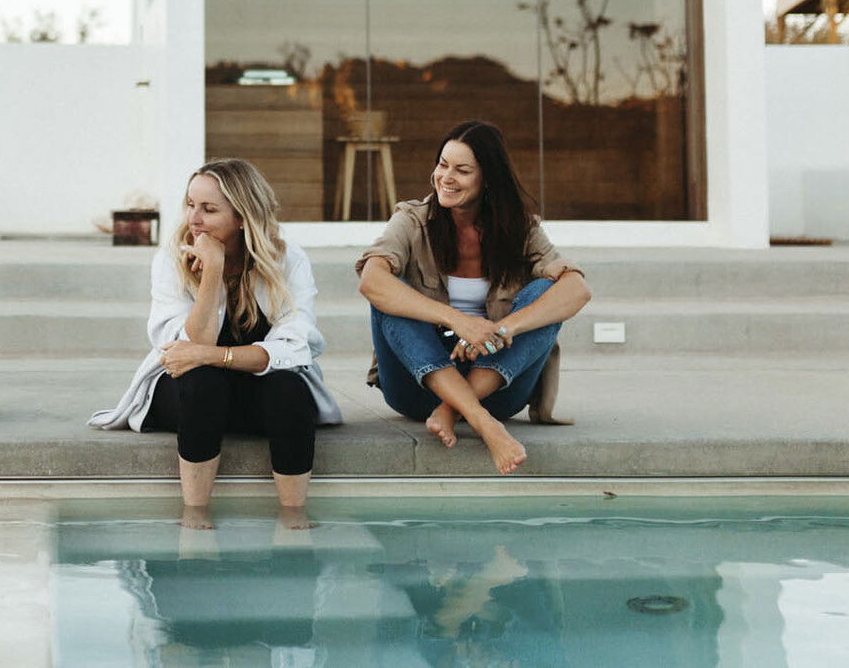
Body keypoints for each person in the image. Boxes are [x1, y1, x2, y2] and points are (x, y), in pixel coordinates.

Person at [90, 158, 343, 528]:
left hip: (258, 393)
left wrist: (211, 355)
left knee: (288, 387)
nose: (194, 218)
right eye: (190, 204)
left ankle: (293, 516)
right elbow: (186, 345)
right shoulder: (171, 257)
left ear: (242, 216)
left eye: (208, 209)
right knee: (201, 382)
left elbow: (295, 346)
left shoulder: (286, 258)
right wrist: (211, 272)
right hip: (188, 395)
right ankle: (195, 514)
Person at [358, 120, 590, 475]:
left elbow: (577, 289)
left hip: (498, 386)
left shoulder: (520, 229)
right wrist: (459, 321)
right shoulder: (411, 220)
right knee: (391, 288)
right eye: (442, 165)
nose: (446, 178)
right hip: (418, 385)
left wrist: (501, 330)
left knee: (547, 293)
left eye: (462, 170)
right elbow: (371, 281)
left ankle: (453, 409)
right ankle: (483, 423)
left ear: (488, 179)